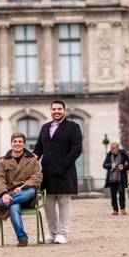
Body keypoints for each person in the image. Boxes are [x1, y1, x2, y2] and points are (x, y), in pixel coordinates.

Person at [33, 99, 83, 244]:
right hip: (47, 172)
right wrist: (28, 160)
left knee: (63, 203)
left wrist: (63, 164)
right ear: (50, 111)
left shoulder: (73, 127)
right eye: (54, 109)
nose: (56, 111)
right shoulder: (44, 127)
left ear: (64, 110)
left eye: (59, 109)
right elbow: (38, 148)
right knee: (48, 205)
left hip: (64, 171)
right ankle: (52, 233)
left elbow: (77, 149)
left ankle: (62, 233)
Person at [0, 132, 43, 247]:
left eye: (20, 141)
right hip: (10, 195)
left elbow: (38, 177)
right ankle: (22, 238)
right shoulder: (3, 161)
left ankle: (1, 204)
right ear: (11, 144)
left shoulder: (32, 160)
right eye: (15, 141)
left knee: (31, 191)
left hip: (27, 195)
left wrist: (23, 187)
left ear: (24, 144)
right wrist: (4, 193)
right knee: (13, 207)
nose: (17, 144)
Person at [102, 141, 129, 215]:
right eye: (111, 148)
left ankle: (122, 208)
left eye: (113, 148)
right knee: (113, 195)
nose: (112, 150)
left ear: (118, 148)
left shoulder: (123, 155)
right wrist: (111, 165)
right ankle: (115, 210)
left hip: (121, 178)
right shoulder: (109, 155)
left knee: (121, 193)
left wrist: (123, 167)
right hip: (112, 179)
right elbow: (104, 165)